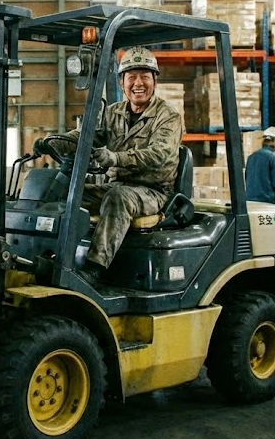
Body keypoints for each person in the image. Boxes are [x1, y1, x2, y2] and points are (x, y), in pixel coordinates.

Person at [36, 46, 183, 283]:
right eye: (131, 76)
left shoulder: (168, 116)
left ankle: (95, 268)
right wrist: (52, 141)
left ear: (154, 81)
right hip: (117, 186)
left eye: (145, 76)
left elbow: (159, 155)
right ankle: (53, 256)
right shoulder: (113, 113)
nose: (138, 83)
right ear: (122, 82)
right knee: (67, 194)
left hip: (153, 192)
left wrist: (115, 158)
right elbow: (85, 137)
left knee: (118, 197)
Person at [245, 127, 275, 206]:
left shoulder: (251, 157)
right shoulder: (274, 158)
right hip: (266, 202)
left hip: (249, 201)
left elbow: (247, 178)